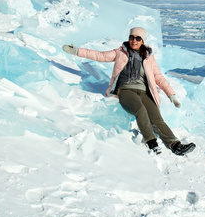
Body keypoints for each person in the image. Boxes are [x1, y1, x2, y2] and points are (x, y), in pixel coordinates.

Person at [62, 27, 196, 156]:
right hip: (125, 90)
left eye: (138, 38)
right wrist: (77, 51)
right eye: (132, 37)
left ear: (142, 41)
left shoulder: (149, 57)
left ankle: (175, 145)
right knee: (140, 110)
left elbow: (158, 77)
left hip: (144, 92)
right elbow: (100, 55)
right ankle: (151, 142)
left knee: (157, 118)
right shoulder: (121, 52)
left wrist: (171, 95)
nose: (134, 41)